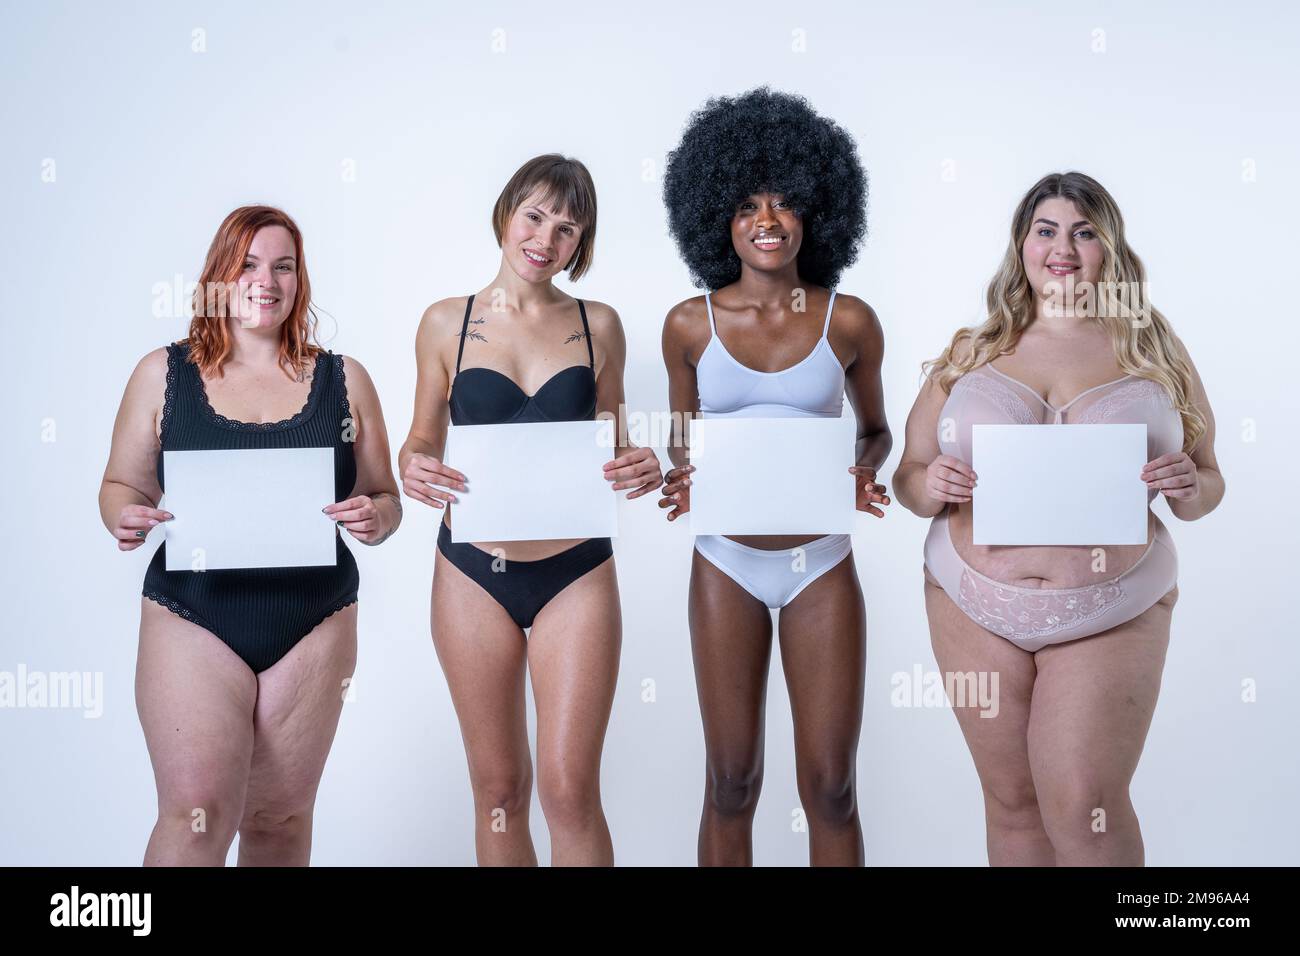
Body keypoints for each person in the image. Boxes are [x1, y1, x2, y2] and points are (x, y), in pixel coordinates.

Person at [893, 171, 1224, 865]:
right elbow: (909, 477)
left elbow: (1208, 484)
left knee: (1084, 802)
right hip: (969, 603)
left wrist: (1188, 484)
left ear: (1110, 247)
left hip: (1112, 606)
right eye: (1046, 230)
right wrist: (933, 483)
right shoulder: (971, 350)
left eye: (1083, 232)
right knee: (1011, 803)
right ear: (1021, 246)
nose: (1062, 248)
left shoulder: (1153, 347)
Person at [99, 205, 402, 865]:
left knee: (280, 821)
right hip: (194, 614)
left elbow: (383, 497)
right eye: (248, 265)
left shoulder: (345, 380)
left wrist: (376, 516)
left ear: (300, 279)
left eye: (283, 266)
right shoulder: (163, 373)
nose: (266, 281)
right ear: (220, 275)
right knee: (196, 816)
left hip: (314, 618)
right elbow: (122, 486)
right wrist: (123, 515)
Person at [398, 154, 662, 866]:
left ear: (582, 244)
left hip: (576, 572)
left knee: (570, 792)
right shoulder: (444, 323)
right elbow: (422, 437)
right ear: (508, 213)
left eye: (568, 229)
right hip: (471, 572)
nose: (546, 238)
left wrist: (642, 462)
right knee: (498, 791)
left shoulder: (598, 324)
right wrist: (411, 463)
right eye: (536, 216)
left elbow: (617, 439)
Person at [658, 88, 892, 866]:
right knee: (731, 780)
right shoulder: (689, 325)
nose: (768, 220)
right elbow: (682, 444)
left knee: (831, 786)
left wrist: (860, 473)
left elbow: (877, 432)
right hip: (725, 559)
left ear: (814, 215)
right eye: (748, 204)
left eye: (786, 203)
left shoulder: (848, 320)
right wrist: (679, 475)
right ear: (717, 217)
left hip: (819, 561)